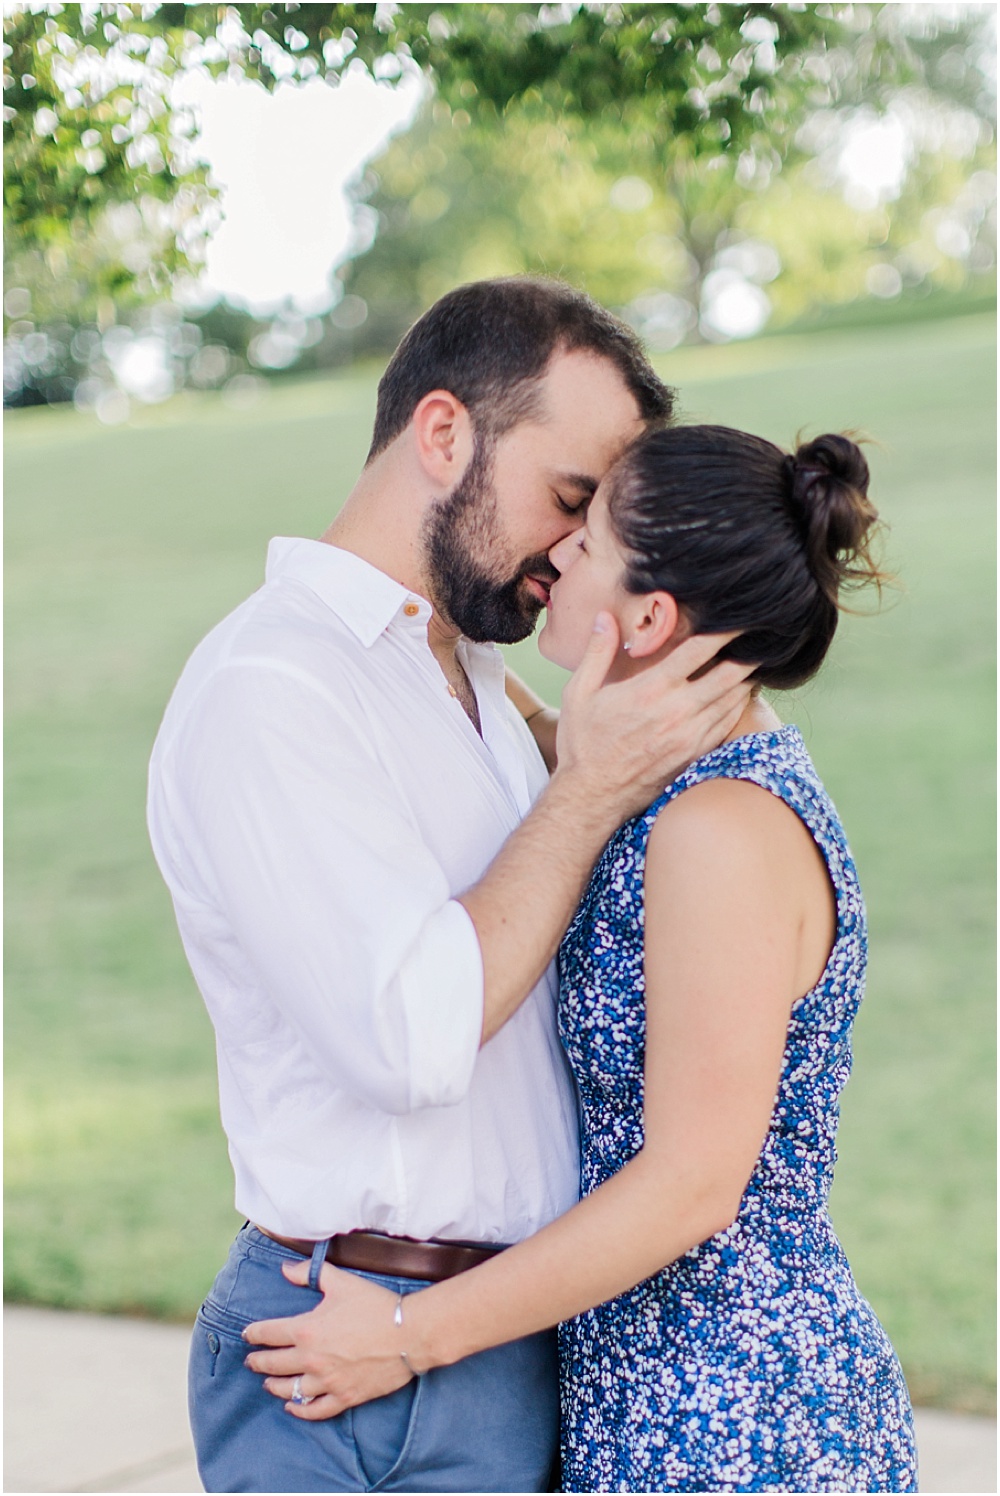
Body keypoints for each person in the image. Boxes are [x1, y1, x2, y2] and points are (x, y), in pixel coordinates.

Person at [147, 279, 752, 1494]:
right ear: (442, 434)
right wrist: (583, 790)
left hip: (501, 1340)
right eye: (568, 499)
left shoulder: (476, 674)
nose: (576, 550)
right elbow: (411, 1037)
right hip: (346, 1357)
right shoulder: (273, 690)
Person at [242, 425, 919, 1493]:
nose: (554, 554)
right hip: (651, 1389)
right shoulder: (667, 774)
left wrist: (412, 1333)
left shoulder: (718, 830)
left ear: (649, 617)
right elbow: (550, 739)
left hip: (730, 1414)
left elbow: (691, 1183)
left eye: (588, 538)